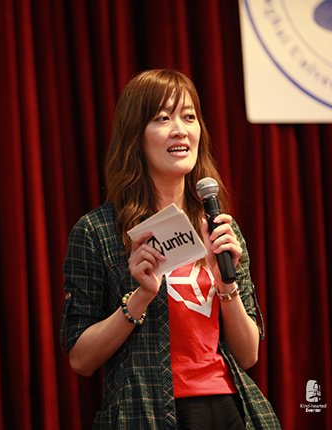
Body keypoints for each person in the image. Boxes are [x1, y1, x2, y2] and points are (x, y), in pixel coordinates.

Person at [60, 69, 280, 429]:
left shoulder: (218, 226)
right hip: (146, 412)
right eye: (163, 118)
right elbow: (81, 359)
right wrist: (141, 297)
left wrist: (226, 286)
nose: (180, 129)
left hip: (227, 408)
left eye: (189, 117)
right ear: (135, 137)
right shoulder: (99, 232)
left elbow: (248, 353)